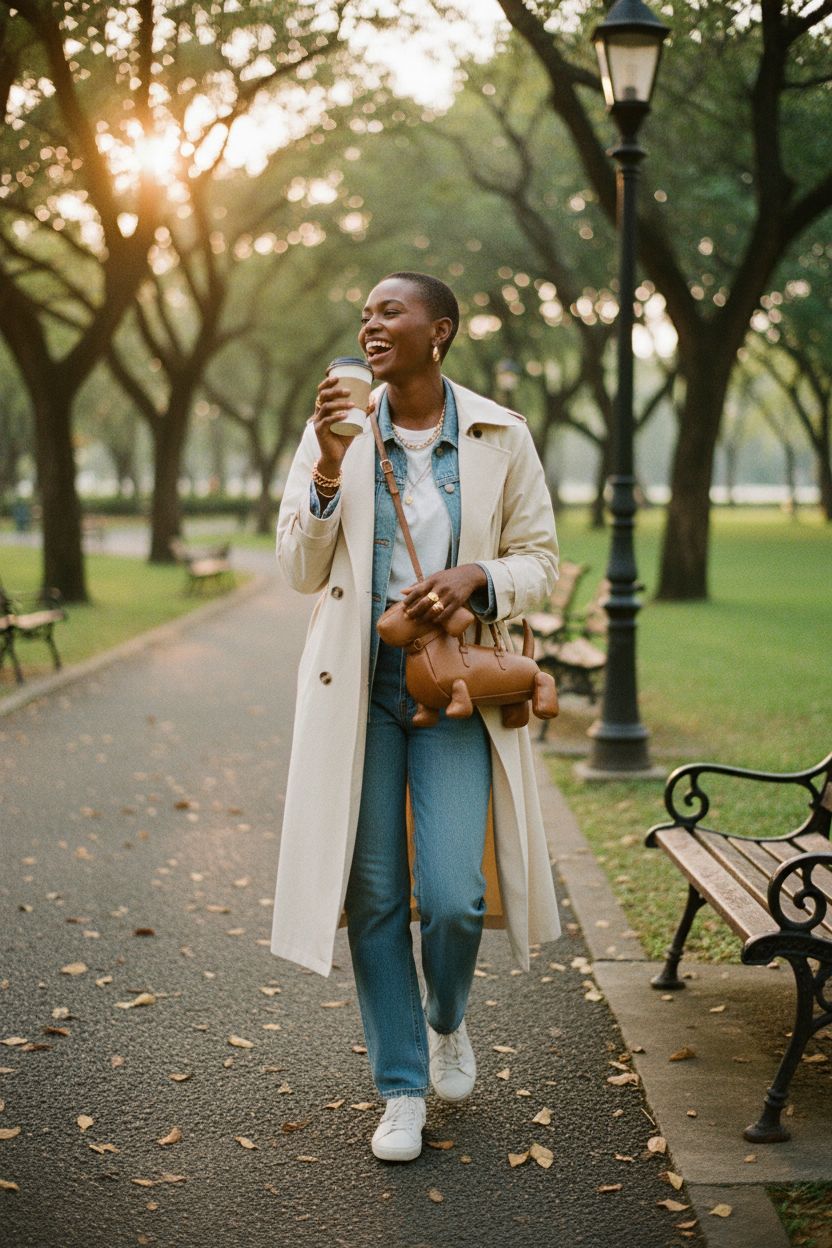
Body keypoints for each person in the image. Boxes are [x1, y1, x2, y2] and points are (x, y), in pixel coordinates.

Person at [270, 271, 560, 1162]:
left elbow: (541, 560)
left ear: (441, 331)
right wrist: (324, 463)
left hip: (458, 688)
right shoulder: (340, 433)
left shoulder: (499, 434)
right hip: (361, 692)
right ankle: (401, 1088)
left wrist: (481, 577)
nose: (371, 325)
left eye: (390, 311)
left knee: (453, 897)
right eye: (363, 314)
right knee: (377, 897)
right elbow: (298, 567)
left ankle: (446, 1020)